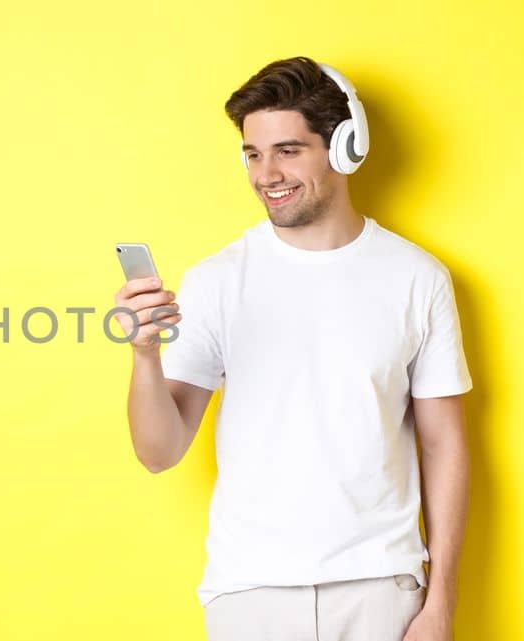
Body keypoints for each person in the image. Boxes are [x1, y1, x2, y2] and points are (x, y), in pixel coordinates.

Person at [112, 57, 472, 641]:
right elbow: (159, 451)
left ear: (345, 146)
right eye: (253, 154)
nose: (265, 174)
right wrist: (145, 356)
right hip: (250, 593)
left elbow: (445, 444)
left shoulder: (417, 278)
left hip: (382, 588)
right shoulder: (217, 280)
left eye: (287, 150)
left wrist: (441, 603)